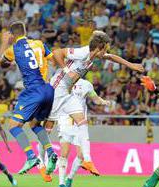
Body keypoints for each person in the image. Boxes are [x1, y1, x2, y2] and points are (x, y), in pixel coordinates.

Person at [45, 30, 144, 176]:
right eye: (105, 50)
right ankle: (44, 161)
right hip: (57, 89)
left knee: (82, 121)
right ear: (99, 47)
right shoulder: (81, 52)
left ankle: (87, 160)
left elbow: (112, 57)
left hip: (68, 92)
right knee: (48, 127)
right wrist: (67, 71)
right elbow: (57, 53)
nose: (105, 53)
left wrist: (131, 65)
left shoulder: (93, 57)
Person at [0, 21, 57, 175]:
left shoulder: (13, 49)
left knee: (13, 126)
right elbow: (53, 59)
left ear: (12, 35)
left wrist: (4, 43)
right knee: (34, 125)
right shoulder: (39, 43)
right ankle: (50, 152)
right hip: (48, 89)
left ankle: (31, 157)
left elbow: (1, 63)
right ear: (24, 31)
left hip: (33, 91)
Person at [39, 78, 110, 187]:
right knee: (64, 154)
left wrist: (103, 102)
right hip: (64, 122)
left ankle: (69, 178)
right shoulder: (61, 80)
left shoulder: (86, 84)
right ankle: (61, 184)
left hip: (79, 124)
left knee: (81, 155)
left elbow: (95, 98)